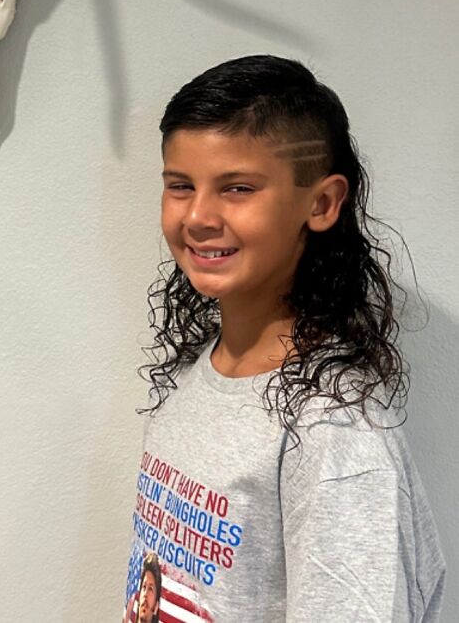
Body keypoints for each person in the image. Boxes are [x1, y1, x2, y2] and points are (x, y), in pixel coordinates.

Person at [123, 55, 446, 622]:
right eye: (180, 185)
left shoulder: (335, 429)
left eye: (238, 188)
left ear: (321, 204)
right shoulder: (204, 368)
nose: (198, 214)